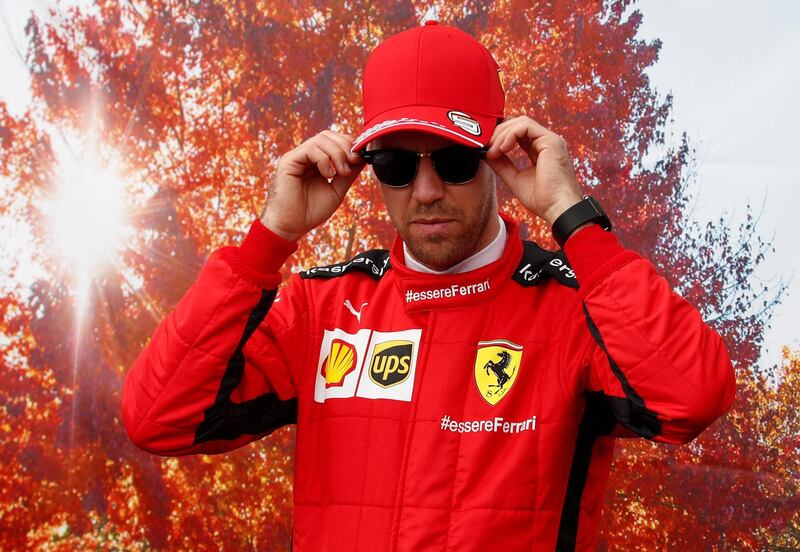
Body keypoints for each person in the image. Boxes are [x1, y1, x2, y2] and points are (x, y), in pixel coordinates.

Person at [122, 21, 735, 551]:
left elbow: (694, 397)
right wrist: (270, 238)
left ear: (499, 154)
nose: (425, 190)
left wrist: (572, 217)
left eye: (453, 159)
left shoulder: (575, 307)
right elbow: (157, 419)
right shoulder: (321, 308)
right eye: (393, 165)